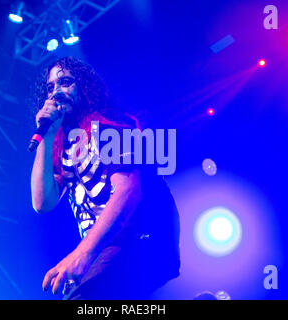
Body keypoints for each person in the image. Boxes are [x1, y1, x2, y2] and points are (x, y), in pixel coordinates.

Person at [30, 56, 180, 299]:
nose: (56, 91)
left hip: (141, 238)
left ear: (84, 87)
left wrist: (82, 255)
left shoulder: (107, 121)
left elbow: (129, 190)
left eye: (65, 82)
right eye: (50, 87)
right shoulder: (61, 143)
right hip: (108, 249)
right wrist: (46, 137)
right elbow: (42, 203)